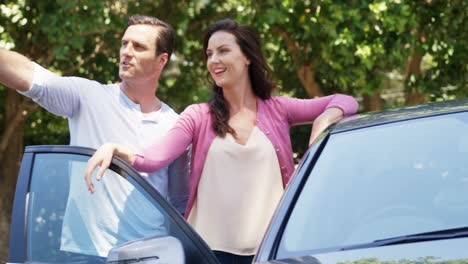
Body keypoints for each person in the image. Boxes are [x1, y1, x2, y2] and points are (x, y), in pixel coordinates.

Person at [85, 18, 359, 264]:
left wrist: (322, 124)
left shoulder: (278, 109)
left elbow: (345, 101)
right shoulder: (198, 116)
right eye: (209, 54)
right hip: (208, 255)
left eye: (223, 51)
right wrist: (114, 148)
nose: (214, 59)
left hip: (270, 253)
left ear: (247, 57)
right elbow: (152, 159)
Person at [0, 15, 189, 258]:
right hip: (84, 253)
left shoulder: (174, 125)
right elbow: (28, 74)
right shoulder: (88, 96)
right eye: (124, 43)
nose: (126, 52)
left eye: (138, 46)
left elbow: (179, 203)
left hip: (151, 256)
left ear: (162, 60)